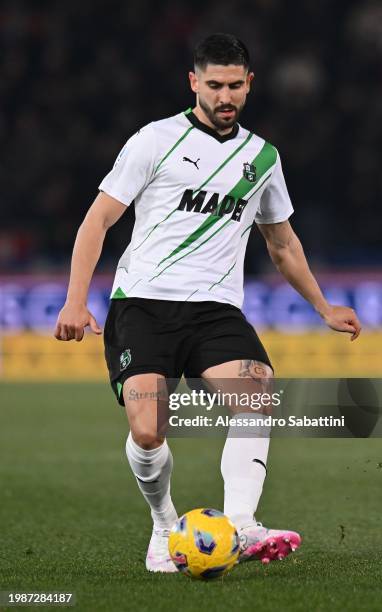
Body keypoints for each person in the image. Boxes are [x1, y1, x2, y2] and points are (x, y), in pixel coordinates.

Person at [54, 33, 361, 572]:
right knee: (148, 430)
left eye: (234, 86)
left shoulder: (262, 157)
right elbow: (98, 219)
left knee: (257, 392)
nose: (225, 96)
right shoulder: (155, 140)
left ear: (249, 85)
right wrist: (75, 301)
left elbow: (281, 242)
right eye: (214, 85)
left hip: (215, 309)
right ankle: (164, 528)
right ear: (194, 82)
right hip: (143, 304)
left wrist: (323, 306)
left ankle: (242, 525)